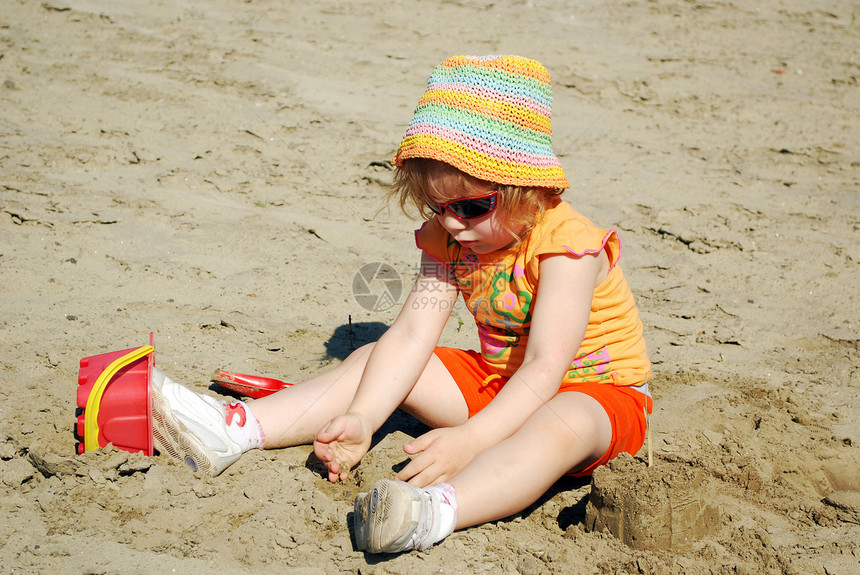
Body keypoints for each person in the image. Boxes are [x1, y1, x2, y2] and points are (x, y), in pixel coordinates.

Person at [149, 54, 653, 554]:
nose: (454, 224)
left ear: (527, 187)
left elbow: (547, 366)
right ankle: (233, 429)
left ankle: (433, 512)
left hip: (599, 399)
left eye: (473, 206)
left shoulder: (568, 246)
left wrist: (473, 440)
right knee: (374, 356)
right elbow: (414, 332)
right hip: (501, 388)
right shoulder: (451, 241)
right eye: (438, 208)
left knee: (560, 422)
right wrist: (366, 417)